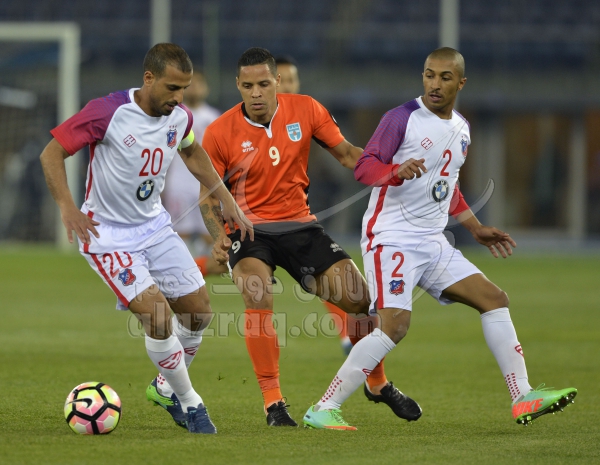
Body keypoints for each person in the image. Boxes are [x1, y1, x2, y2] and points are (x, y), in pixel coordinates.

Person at [303, 47, 577, 430]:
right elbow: (364, 168)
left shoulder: (461, 128)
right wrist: (395, 170)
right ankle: (324, 407)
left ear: (461, 83)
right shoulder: (401, 118)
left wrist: (475, 227)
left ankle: (522, 396)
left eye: (445, 77)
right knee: (394, 326)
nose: (435, 84)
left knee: (494, 299)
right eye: (429, 75)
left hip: (432, 241)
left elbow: (447, 187)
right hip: (392, 238)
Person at [200, 47, 422, 427]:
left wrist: (391, 170)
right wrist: (219, 235)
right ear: (237, 85)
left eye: (263, 84)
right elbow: (208, 197)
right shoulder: (219, 132)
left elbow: (348, 155)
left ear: (277, 82)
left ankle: (377, 383)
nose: (256, 93)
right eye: (248, 86)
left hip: (300, 226)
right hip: (249, 231)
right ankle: (273, 403)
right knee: (257, 292)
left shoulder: (306, 109)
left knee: (360, 300)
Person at [39, 43, 253, 434]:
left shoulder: (180, 117)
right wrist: (68, 208)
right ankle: (191, 402)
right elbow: (51, 153)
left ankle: (165, 388)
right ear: (148, 78)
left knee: (199, 312)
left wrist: (226, 198)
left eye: (184, 88)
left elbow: (192, 153)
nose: (179, 97)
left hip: (154, 226)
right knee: (157, 316)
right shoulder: (108, 112)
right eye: (172, 88)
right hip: (107, 235)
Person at [275, 54, 353, 355]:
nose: (287, 86)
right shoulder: (248, 120)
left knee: (324, 273)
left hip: (292, 216)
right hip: (251, 217)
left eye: (292, 80)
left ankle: (348, 337)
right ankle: (164, 283)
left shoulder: (306, 112)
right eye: (281, 81)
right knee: (220, 266)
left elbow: (344, 152)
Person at [162, 70, 225, 275]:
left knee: (210, 231)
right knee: (181, 232)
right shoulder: (173, 115)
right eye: (191, 85)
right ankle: (184, 269)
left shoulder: (214, 117)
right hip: (178, 183)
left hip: (206, 183)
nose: (195, 89)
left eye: (199, 84)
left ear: (206, 88)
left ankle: (199, 268)